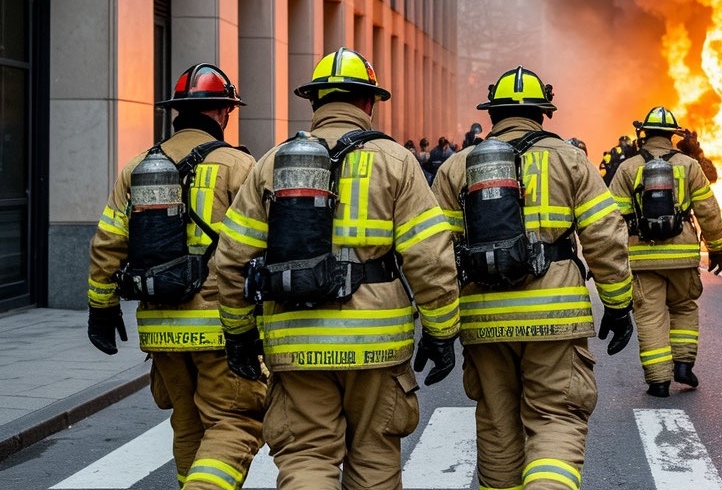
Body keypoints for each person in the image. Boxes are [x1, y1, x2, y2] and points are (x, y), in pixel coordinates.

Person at [214, 47, 460, 490]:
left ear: (314, 102)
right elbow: (431, 258)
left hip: (295, 342)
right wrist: (441, 332)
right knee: (374, 460)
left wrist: (239, 335)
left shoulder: (272, 162)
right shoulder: (397, 161)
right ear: (368, 102)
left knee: (307, 459)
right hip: (377, 344)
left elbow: (231, 258)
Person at [431, 65, 634, 490]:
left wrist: (441, 328)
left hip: (483, 319)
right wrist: (617, 304)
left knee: (497, 426)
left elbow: (437, 255)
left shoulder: (457, 167)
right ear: (543, 114)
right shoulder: (570, 159)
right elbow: (605, 237)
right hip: (555, 315)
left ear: (492, 114)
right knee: (556, 418)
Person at [87, 63, 266, 489]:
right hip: (221, 327)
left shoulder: (138, 167)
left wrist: (101, 308)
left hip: (160, 325)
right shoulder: (239, 165)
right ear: (222, 111)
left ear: (177, 112)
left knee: (187, 425)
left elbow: (107, 243)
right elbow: (261, 246)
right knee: (234, 422)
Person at [608, 106, 722, 398]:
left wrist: (614, 258)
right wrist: (717, 247)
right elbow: (708, 210)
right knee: (684, 307)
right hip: (682, 255)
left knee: (650, 316)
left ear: (644, 134)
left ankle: (658, 381)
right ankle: (683, 366)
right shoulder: (689, 165)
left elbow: (614, 219)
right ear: (673, 135)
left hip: (642, 257)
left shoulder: (628, 168)